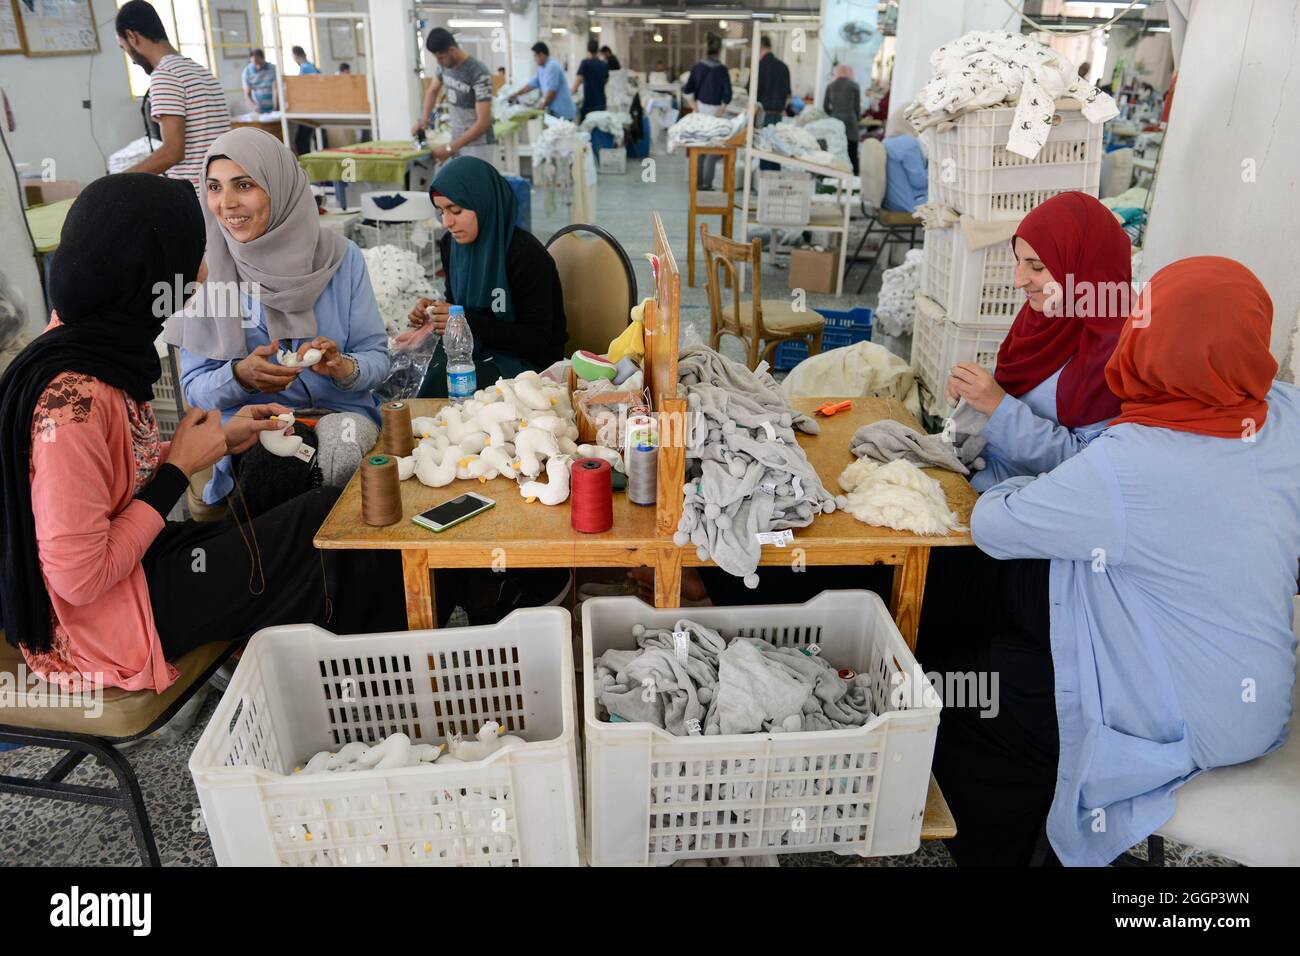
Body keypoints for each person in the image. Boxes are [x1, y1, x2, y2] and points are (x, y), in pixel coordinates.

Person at [920, 256, 1300, 867]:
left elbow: (993, 524)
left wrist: (1024, 479)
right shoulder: (1287, 417)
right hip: (1259, 702)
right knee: (1018, 622)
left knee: (965, 701)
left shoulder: (1133, 460)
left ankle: (1024, 847)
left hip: (1175, 719)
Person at [0, 174, 406, 694]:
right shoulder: (75, 400)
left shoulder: (87, 344)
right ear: (147, 270)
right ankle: (360, 698)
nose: (201, 272)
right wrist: (178, 468)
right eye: (189, 255)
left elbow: (98, 484)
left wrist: (217, 439)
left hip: (132, 570)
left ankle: (333, 690)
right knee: (332, 536)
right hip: (100, 621)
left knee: (329, 519)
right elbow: (79, 578)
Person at [170, 129, 390, 511]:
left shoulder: (340, 258)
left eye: (244, 185)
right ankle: (298, 568)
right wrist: (240, 377)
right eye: (214, 187)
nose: (227, 203)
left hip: (343, 412)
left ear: (280, 185)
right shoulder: (208, 270)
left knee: (344, 450)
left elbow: (378, 359)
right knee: (276, 467)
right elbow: (196, 390)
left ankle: (330, 567)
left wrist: (342, 367)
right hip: (253, 425)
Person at [947, 191, 1131, 493]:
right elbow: (1026, 386)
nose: (1019, 280)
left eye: (1036, 267)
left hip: (1033, 504)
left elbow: (1087, 466)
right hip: (985, 477)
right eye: (1019, 262)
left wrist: (996, 405)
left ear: (1081, 265)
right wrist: (975, 388)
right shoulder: (1046, 316)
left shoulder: (1117, 353)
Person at [405, 156, 565, 394]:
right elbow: (456, 301)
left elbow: (536, 340)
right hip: (474, 347)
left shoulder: (524, 255)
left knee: (440, 381)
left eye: (456, 210)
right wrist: (434, 313)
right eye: (441, 212)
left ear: (483, 203)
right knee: (408, 367)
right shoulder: (452, 245)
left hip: (525, 365)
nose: (447, 222)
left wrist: (464, 320)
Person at [115, 0, 231, 195]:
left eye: (123, 48)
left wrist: (118, 183)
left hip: (195, 198)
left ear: (131, 36)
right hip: (220, 190)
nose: (132, 61)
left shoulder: (165, 75)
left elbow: (173, 152)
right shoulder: (201, 71)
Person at [412, 27, 496, 165]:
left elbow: (483, 122)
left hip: (479, 145)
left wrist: (451, 148)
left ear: (452, 50)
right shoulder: (444, 66)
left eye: (441, 57)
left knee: (476, 186)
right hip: (457, 140)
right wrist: (423, 120)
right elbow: (432, 91)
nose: (438, 62)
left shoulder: (478, 72)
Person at [683, 34, 732, 189]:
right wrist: (722, 110)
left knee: (698, 148)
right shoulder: (723, 70)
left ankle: (695, 182)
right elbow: (728, 95)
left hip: (700, 112)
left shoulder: (697, 67)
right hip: (716, 114)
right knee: (712, 150)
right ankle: (707, 184)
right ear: (719, 51)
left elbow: (687, 90)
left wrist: (694, 107)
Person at [508, 42, 576, 121]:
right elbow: (531, 85)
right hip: (554, 111)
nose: (534, 59)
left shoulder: (553, 66)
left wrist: (542, 106)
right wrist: (516, 94)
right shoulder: (541, 68)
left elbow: (552, 91)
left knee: (563, 131)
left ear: (541, 55)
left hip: (563, 111)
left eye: (535, 56)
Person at [755, 35, 791, 170]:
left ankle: (764, 184)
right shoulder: (783, 67)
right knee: (777, 149)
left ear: (760, 47)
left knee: (764, 149)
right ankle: (774, 182)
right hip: (778, 115)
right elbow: (788, 95)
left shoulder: (758, 66)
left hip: (762, 114)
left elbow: (751, 91)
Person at [822, 63, 861, 173]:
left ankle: (835, 179)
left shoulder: (830, 86)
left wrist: (833, 114)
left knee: (836, 154)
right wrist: (857, 119)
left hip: (835, 124)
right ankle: (854, 181)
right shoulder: (854, 86)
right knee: (852, 154)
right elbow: (857, 107)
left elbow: (825, 107)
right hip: (851, 124)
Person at [881, 134, 927, 211]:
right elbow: (920, 182)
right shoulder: (908, 143)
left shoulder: (886, 141)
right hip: (913, 205)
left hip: (891, 203)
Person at [573, 38, 610, 122]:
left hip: (589, 103)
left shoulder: (585, 63)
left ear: (588, 50)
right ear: (598, 50)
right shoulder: (604, 65)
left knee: (586, 129)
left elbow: (577, 82)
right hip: (601, 103)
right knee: (600, 127)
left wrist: (571, 92)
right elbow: (605, 81)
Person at [242, 48, 277, 114]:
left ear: (263, 58)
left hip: (273, 106)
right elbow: (246, 94)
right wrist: (254, 106)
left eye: (259, 62)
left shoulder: (272, 68)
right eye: (254, 63)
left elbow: (275, 89)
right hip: (257, 107)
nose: (258, 66)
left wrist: (275, 107)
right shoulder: (247, 71)